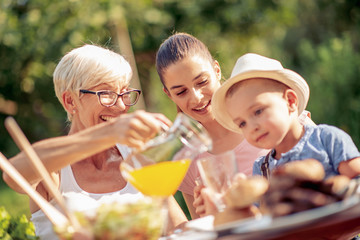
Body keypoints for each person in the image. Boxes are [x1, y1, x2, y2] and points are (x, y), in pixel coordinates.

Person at [2, 44, 187, 239]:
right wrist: (109, 132)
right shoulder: (55, 167)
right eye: (106, 93)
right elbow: (12, 177)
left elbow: (178, 229)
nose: (121, 105)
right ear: (70, 101)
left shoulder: (137, 156)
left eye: (124, 93)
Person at [155, 33, 269, 219]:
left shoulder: (263, 113)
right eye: (181, 92)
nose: (196, 97)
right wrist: (209, 216)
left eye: (202, 82)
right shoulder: (185, 160)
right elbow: (203, 228)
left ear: (217, 70)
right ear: (169, 94)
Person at [212, 53, 360, 179]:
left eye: (258, 111)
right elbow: (263, 212)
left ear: (290, 101)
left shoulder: (327, 139)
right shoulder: (262, 169)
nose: (252, 128)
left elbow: (356, 179)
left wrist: (336, 188)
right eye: (242, 123)